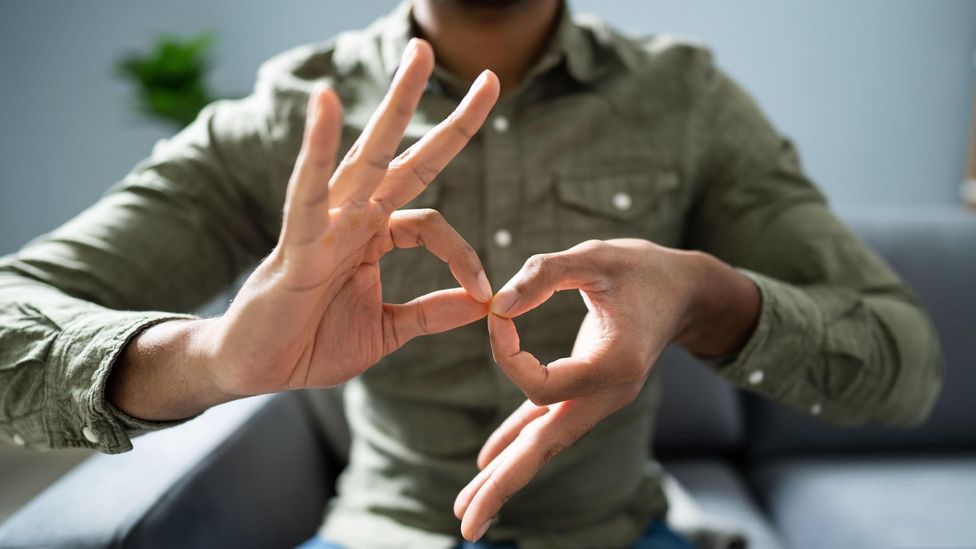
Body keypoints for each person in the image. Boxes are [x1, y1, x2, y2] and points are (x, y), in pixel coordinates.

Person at [0, 1, 942, 548]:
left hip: (616, 532)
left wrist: (704, 295)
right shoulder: (287, 116)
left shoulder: (685, 99)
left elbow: (904, 366)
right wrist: (207, 358)